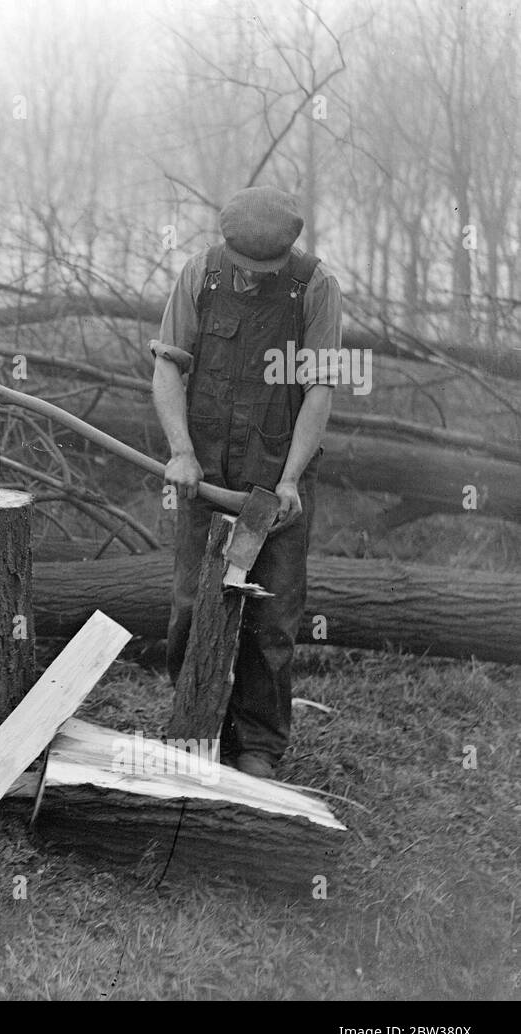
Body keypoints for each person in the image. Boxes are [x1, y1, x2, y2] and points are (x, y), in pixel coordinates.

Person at [149, 186, 342, 778]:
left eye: (269, 269)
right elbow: (167, 365)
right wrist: (181, 453)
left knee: (273, 624)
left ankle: (257, 746)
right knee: (191, 608)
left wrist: (290, 481)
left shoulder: (314, 285)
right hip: (204, 479)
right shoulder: (200, 276)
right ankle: (196, 729)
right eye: (247, 269)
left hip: (273, 483)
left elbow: (319, 387)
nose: (256, 279)